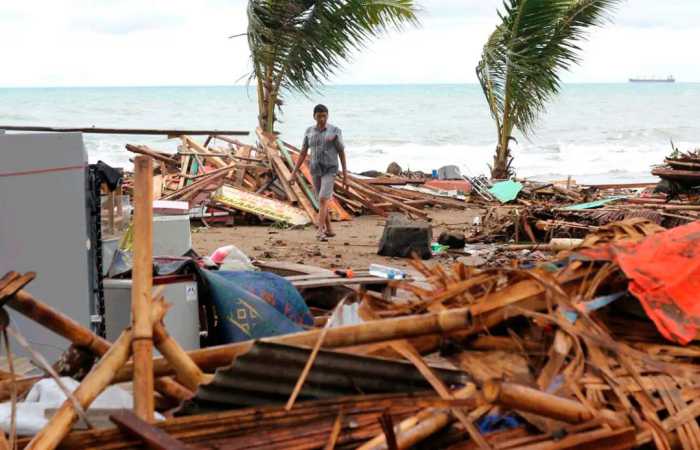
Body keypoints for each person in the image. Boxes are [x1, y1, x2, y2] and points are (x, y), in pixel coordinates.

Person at [289, 104, 348, 241]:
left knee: (322, 199)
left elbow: (341, 153)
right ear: (314, 116)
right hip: (315, 170)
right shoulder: (309, 131)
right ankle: (330, 229)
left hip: (330, 169)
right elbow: (303, 152)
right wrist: (293, 173)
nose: (322, 119)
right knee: (322, 201)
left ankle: (320, 231)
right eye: (319, 116)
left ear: (328, 115)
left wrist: (345, 176)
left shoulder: (335, 131)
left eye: (324, 116)